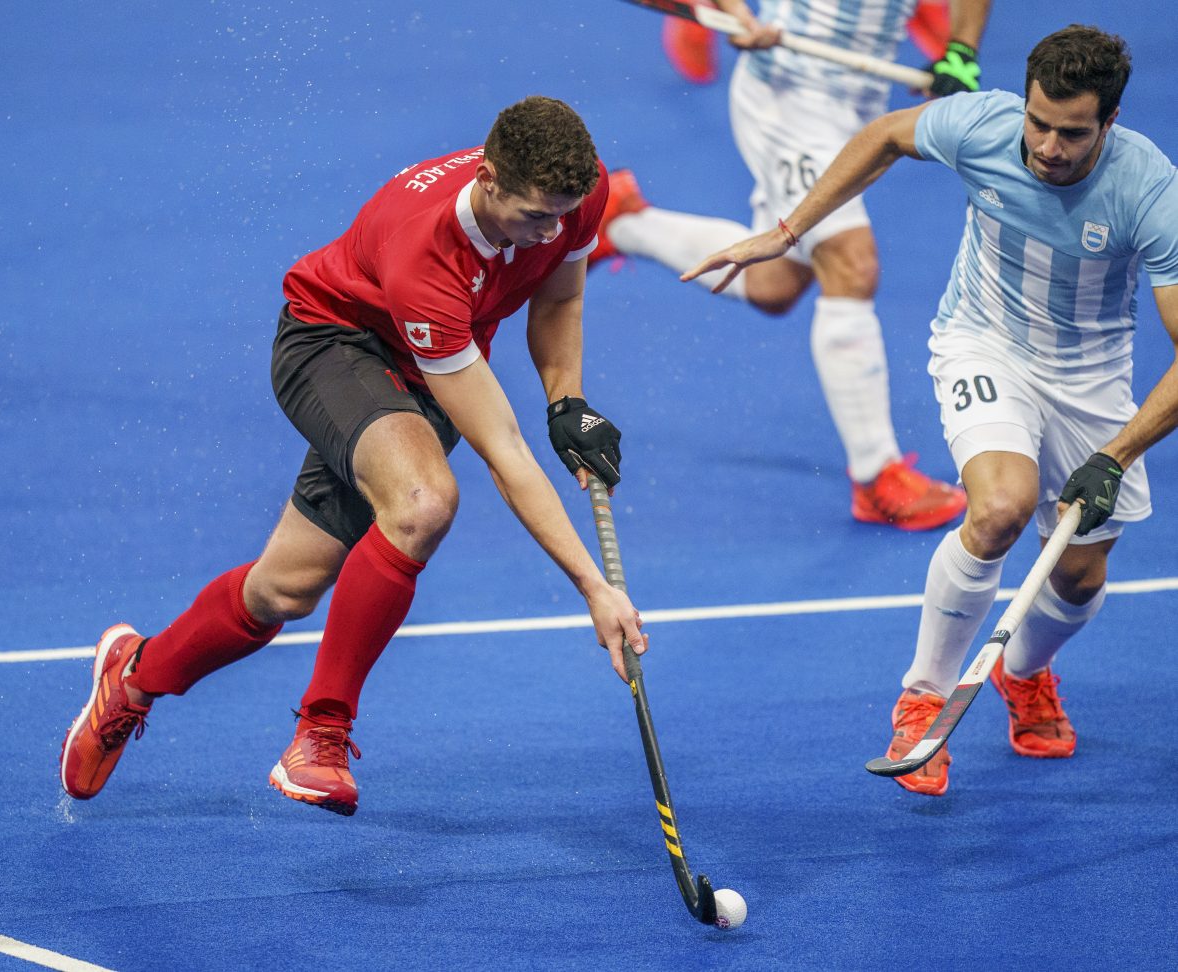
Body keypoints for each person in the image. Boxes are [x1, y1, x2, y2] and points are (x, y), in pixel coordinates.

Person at [59, 96, 649, 816]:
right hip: (335, 343)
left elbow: (556, 302)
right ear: (491, 178)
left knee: (285, 590)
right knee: (423, 501)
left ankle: (134, 676)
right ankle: (321, 733)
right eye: (535, 216)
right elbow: (505, 451)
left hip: (431, 363)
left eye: (564, 213)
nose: (552, 230)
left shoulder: (572, 197)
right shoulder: (424, 254)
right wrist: (594, 586)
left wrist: (567, 400)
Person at [683, 25, 1178, 795]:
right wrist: (787, 233)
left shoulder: (1150, 188)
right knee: (1001, 509)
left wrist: (1115, 454)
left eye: (1072, 133)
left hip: (1091, 379)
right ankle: (922, 699)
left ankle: (1025, 674)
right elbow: (883, 136)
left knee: (1079, 576)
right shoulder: (980, 125)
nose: (1048, 146)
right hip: (982, 342)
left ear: (1108, 123)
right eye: (1038, 123)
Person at [594, 0, 994, 531]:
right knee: (851, 264)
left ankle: (622, 223)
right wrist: (737, 13)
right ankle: (877, 476)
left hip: (860, 101)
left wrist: (960, 54)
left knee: (774, 284)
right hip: (789, 94)